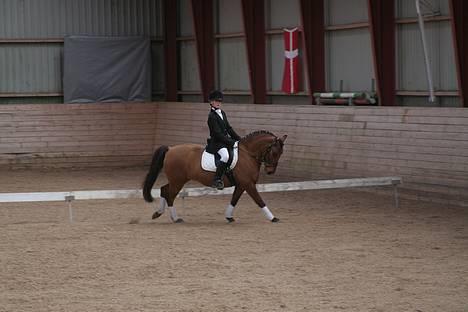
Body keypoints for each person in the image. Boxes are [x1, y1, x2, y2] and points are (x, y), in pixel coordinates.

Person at [206, 90, 241, 190]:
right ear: (211, 102)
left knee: (234, 154)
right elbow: (218, 134)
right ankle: (216, 179)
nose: (218, 103)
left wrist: (239, 139)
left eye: (220, 101)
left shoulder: (222, 113)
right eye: (216, 101)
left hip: (225, 141)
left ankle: (228, 173)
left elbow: (229, 129)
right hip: (217, 142)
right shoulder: (211, 116)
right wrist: (232, 142)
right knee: (225, 156)